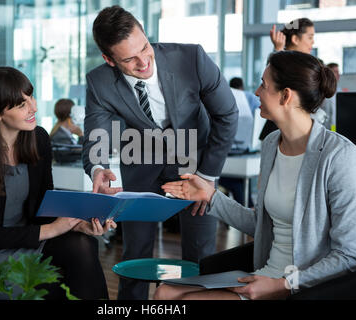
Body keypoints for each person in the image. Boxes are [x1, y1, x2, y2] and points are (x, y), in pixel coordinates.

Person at [156, 50, 356, 300]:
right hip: (264, 275)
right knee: (164, 292)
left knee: (189, 301)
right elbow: (261, 225)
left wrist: (283, 285)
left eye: (263, 85)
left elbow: (349, 256)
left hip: (302, 286)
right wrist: (211, 196)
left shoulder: (339, 155)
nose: (256, 92)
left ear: (285, 96)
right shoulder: (270, 144)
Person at [83, 5, 238, 300]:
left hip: (197, 162)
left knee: (200, 254)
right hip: (141, 164)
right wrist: (97, 168)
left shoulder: (191, 59)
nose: (144, 62)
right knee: (135, 256)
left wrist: (207, 175)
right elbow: (96, 137)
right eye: (129, 59)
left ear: (145, 34)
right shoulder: (99, 82)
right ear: (109, 59)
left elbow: (227, 114)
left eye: (145, 47)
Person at [0, 66, 116, 300]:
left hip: (31, 238)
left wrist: (76, 225)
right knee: (49, 288)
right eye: (22, 104)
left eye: (30, 96)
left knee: (83, 244)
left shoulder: (38, 138)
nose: (33, 107)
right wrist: (55, 229)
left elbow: (45, 204)